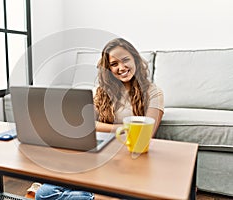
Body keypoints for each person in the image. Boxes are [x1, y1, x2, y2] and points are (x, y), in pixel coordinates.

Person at [34, 38, 164, 200]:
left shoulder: (153, 92)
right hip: (100, 156)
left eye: (125, 60)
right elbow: (87, 124)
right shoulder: (102, 92)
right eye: (114, 64)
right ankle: (92, 195)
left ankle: (94, 196)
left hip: (128, 162)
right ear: (108, 68)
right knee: (43, 194)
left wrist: (107, 127)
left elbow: (148, 132)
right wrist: (122, 128)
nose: (121, 68)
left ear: (135, 60)